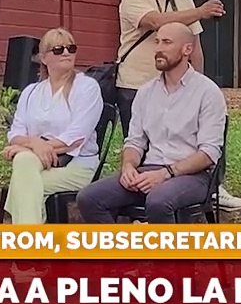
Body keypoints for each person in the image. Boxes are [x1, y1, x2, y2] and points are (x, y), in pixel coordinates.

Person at [114, 0, 241, 212]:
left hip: (179, 84)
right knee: (140, 143)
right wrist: (200, 11)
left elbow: (194, 46)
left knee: (201, 137)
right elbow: (155, 22)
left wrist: (200, 84)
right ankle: (140, 196)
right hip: (137, 83)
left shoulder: (183, 0)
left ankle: (211, 190)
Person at [77, 22, 227, 224]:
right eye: (157, 42)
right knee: (90, 198)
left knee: (158, 201)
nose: (159, 49)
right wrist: (128, 167)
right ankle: (116, 254)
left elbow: (209, 153)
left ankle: (163, 256)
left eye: (166, 42)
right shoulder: (146, 92)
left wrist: (166, 173)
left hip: (192, 176)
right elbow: (134, 142)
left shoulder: (207, 92)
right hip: (148, 170)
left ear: (187, 49)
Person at [1, 27, 104, 224]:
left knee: (23, 184)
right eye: (58, 49)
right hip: (37, 163)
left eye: (71, 48)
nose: (66, 53)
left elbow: (75, 138)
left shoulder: (86, 87)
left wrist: (29, 146)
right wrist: (33, 143)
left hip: (76, 166)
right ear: (44, 58)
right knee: (25, 166)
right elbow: (15, 132)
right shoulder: (31, 91)